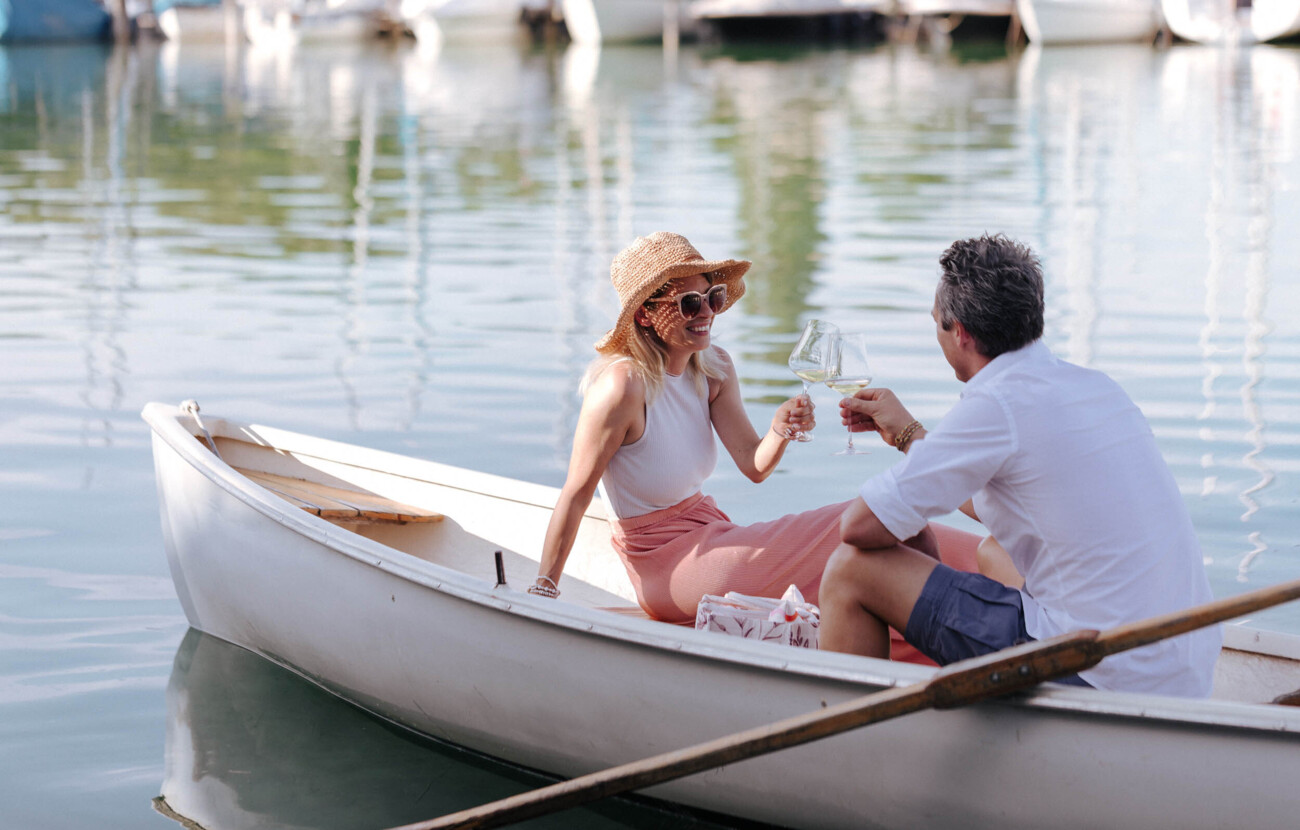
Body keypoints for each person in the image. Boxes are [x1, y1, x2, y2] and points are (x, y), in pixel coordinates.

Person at [818, 233, 1222, 696]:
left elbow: (858, 528)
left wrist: (901, 516)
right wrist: (909, 435)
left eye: (937, 323)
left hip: (1098, 670)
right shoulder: (1095, 386)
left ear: (961, 333)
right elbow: (1007, 497)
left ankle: (854, 750)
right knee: (992, 551)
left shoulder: (996, 403)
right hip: (1179, 670)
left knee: (852, 569)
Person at [530, 231, 981, 640]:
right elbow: (575, 494)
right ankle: (962, 629)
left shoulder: (713, 369)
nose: (707, 312)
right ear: (646, 316)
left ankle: (1005, 587)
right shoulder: (621, 388)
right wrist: (542, 591)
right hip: (669, 568)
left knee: (910, 526)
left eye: (713, 297)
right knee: (876, 517)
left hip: (714, 535)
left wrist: (778, 430)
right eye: (690, 304)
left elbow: (754, 465)